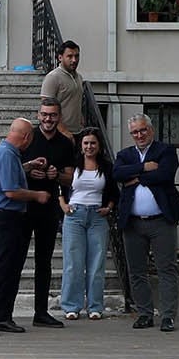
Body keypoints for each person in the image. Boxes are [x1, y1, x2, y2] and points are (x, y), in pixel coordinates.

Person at [0, 118, 54, 335]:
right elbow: (10, 191)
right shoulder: (7, 154)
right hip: (3, 218)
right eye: (32, 137)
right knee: (0, 269)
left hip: (8, 218)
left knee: (11, 269)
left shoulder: (7, 153)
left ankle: (3, 317)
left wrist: (28, 166)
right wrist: (37, 195)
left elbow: (10, 174)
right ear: (27, 137)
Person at [115, 115, 179, 332]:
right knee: (136, 270)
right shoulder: (124, 154)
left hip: (161, 221)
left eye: (143, 130)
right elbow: (117, 174)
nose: (139, 135)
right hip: (133, 223)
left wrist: (134, 177)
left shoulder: (165, 151)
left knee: (166, 269)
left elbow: (165, 175)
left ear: (151, 130)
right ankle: (145, 314)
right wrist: (144, 168)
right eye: (135, 132)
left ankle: (168, 316)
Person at [21, 101, 79, 327]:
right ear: (38, 115)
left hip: (49, 209)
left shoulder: (65, 143)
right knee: (15, 259)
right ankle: (4, 312)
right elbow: (13, 167)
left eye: (52, 115)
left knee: (44, 262)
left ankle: (41, 312)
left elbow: (70, 177)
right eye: (44, 115)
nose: (48, 119)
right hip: (24, 206)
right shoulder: (28, 137)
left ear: (59, 117)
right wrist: (29, 169)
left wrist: (56, 175)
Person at [60, 128, 118, 318]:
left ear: (99, 145)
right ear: (81, 146)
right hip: (75, 215)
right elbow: (59, 186)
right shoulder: (73, 165)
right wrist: (63, 204)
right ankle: (71, 306)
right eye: (85, 143)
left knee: (96, 263)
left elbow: (113, 191)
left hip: (97, 217)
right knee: (73, 263)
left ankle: (94, 307)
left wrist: (108, 207)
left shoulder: (107, 166)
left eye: (93, 143)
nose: (89, 146)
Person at [39, 41, 86, 134]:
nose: (74, 60)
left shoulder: (79, 77)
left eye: (76, 56)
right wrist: (63, 131)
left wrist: (81, 117)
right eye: (70, 56)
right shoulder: (53, 77)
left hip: (77, 130)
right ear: (60, 57)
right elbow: (46, 107)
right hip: (58, 132)